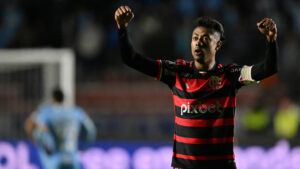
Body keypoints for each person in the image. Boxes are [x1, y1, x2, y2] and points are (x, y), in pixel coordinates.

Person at [115, 5, 278, 169]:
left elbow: (267, 69)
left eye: (205, 38)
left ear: (218, 45)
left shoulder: (230, 75)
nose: (198, 42)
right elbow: (131, 59)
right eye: (195, 38)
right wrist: (122, 29)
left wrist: (271, 41)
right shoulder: (176, 72)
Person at [25, 88, 96, 169]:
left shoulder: (47, 112)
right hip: (73, 158)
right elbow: (91, 131)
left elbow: (36, 128)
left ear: (53, 99)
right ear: (64, 99)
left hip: (55, 158)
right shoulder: (76, 112)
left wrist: (42, 144)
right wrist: (84, 147)